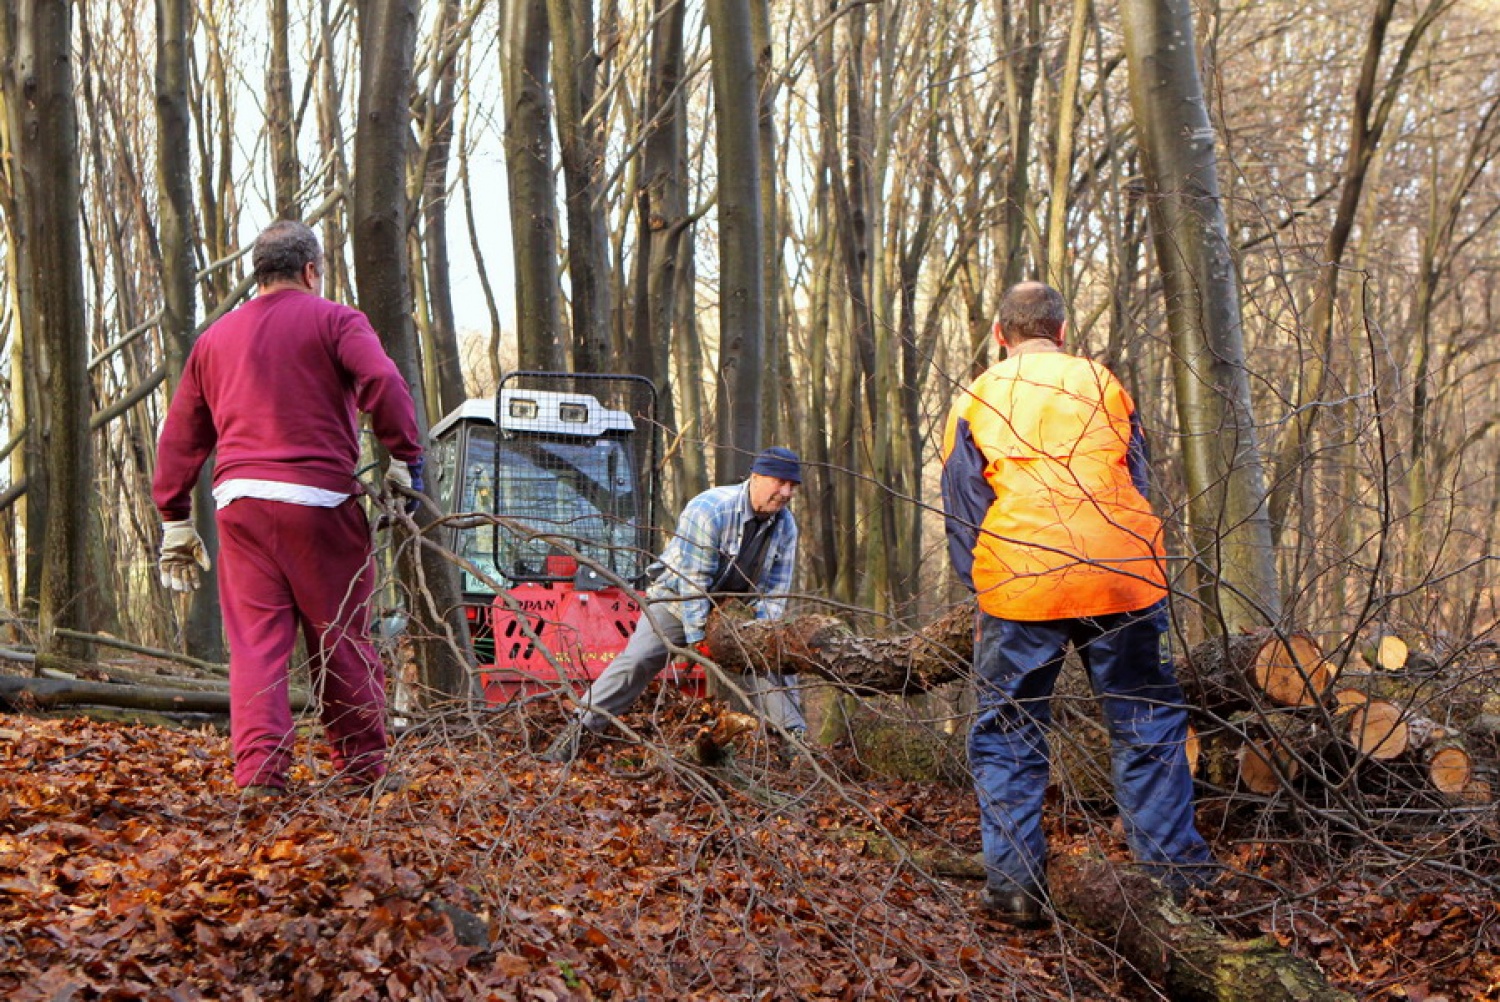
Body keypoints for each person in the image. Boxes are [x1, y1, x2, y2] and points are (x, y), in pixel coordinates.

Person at [940, 281, 1216, 927]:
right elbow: (1136, 479)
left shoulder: (979, 395)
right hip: (1122, 569)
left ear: (1001, 336)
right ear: (1062, 332)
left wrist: (984, 587)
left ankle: (1015, 886)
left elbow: (964, 507)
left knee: (1009, 732)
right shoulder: (1104, 384)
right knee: (1148, 722)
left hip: (1021, 574)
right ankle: (1174, 881)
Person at [153, 220, 424, 800]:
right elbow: (381, 378)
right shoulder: (336, 321)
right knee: (342, 637)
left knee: (256, 645)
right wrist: (405, 456)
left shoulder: (215, 339)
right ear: (310, 271)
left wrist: (174, 517)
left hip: (241, 505)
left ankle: (259, 776)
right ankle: (362, 769)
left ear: (259, 274)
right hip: (320, 503)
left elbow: (180, 432)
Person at [541, 447, 807, 763]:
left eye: (792, 486)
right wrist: (697, 636)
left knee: (772, 661)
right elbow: (693, 580)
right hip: (678, 601)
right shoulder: (710, 510)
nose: (786, 493)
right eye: (780, 483)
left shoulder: (786, 526)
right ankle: (576, 733)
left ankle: (797, 745)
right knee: (638, 660)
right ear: (757, 477)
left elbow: (774, 592)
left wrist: (760, 634)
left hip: (735, 611)